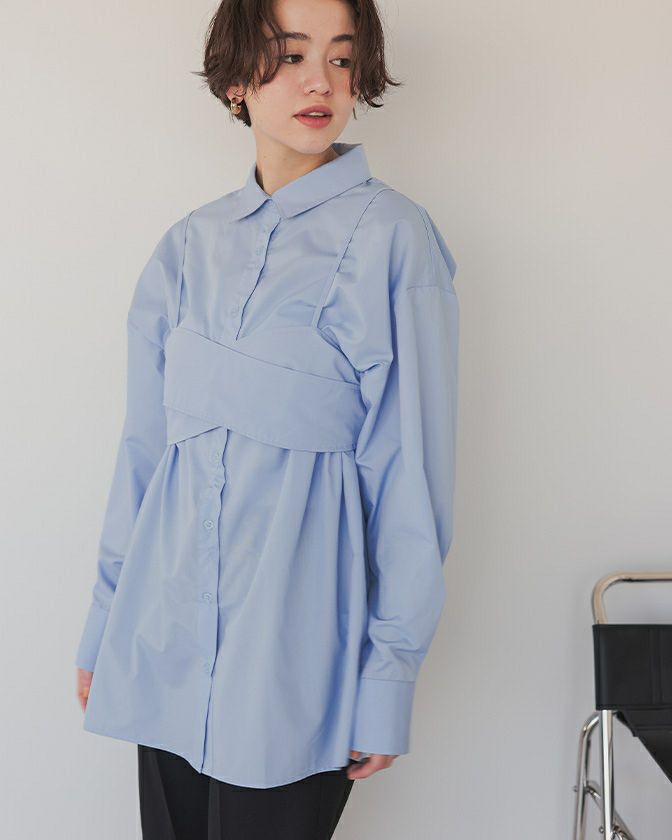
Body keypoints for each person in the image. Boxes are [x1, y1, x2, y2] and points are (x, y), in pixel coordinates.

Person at [74, 0, 460, 836]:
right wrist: (106, 627)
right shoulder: (186, 246)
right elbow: (144, 452)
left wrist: (388, 677)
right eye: (289, 55)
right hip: (162, 639)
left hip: (295, 660)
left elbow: (410, 474)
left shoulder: (396, 240)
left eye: (341, 59)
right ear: (236, 80)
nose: (320, 81)